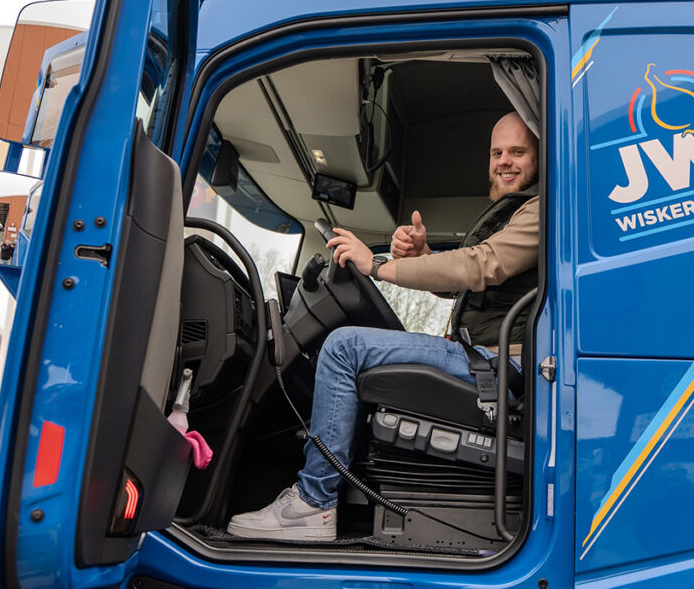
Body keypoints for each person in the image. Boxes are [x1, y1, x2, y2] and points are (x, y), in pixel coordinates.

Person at [227, 112, 540, 541]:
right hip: (485, 356)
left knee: (343, 347)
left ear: (540, 156)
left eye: (518, 152)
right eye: (497, 152)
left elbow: (481, 265)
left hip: (501, 364)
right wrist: (420, 254)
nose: (505, 162)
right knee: (350, 349)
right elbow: (475, 290)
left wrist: (378, 265)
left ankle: (313, 503)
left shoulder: (542, 210)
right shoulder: (513, 212)